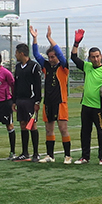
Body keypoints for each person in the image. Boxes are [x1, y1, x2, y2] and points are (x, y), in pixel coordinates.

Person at [71, 29, 102, 165]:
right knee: (85, 132)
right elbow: (73, 57)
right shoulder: (87, 67)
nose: (95, 59)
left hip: (99, 108)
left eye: (97, 56)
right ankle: (85, 157)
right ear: (89, 58)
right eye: (93, 57)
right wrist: (76, 43)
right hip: (86, 106)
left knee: (101, 132)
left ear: (101, 56)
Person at [31, 26, 73, 164]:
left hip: (60, 102)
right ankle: (50, 155)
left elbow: (60, 54)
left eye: (53, 57)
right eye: (49, 57)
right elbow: (36, 55)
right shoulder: (46, 66)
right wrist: (35, 38)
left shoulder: (63, 66)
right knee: (49, 129)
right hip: (48, 102)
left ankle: (68, 155)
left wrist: (49, 38)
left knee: (63, 129)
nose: (51, 59)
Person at [12, 43, 43, 162]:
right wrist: (14, 101)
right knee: (23, 125)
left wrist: (37, 101)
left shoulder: (34, 66)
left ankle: (36, 153)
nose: (15, 55)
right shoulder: (18, 67)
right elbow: (16, 85)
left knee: (32, 125)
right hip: (20, 100)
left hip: (31, 100)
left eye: (16, 53)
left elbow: (38, 85)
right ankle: (25, 152)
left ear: (21, 53)